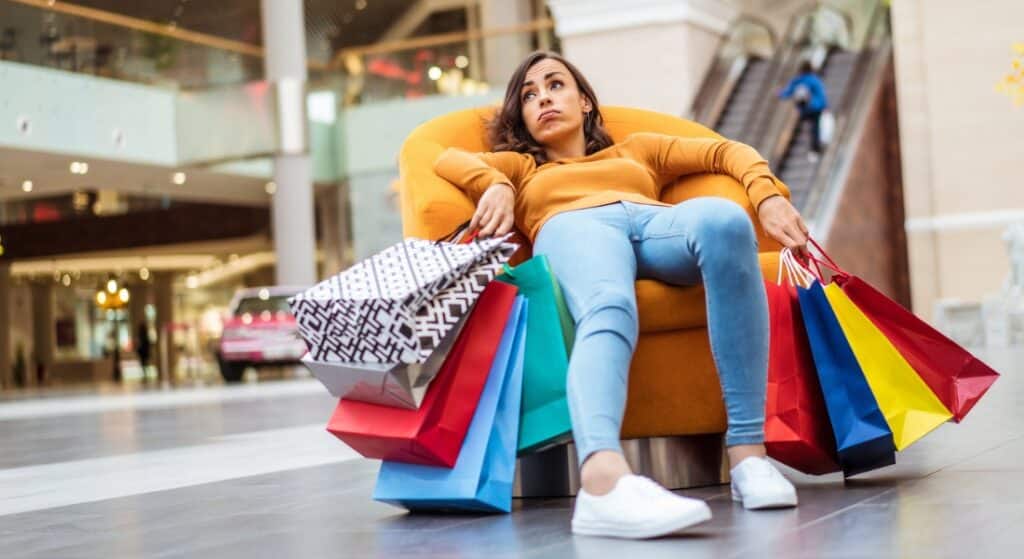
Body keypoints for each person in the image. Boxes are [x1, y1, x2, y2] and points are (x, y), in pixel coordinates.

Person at [434, 51, 809, 539]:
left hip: (651, 222)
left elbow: (725, 152)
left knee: (725, 221)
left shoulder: (638, 150)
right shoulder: (522, 167)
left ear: (585, 101)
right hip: (573, 226)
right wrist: (497, 184)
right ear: (523, 118)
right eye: (529, 95)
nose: (544, 97)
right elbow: (444, 157)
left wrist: (766, 194)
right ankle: (603, 483)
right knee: (610, 305)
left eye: (555, 85)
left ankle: (747, 457)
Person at [779, 61, 829, 161]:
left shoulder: (797, 81)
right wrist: (825, 106)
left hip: (804, 109)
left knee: (806, 126)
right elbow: (821, 93)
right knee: (815, 129)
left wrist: (779, 93)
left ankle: (796, 145)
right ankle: (815, 149)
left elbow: (787, 92)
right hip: (815, 108)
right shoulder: (814, 80)